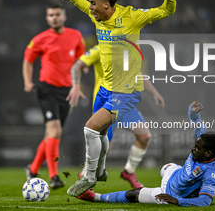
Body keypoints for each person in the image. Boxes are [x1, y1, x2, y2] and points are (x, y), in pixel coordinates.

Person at [58, 0, 176, 196]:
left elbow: (166, 11)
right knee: (100, 133)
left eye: (94, 3)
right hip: (105, 90)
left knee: (90, 128)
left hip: (127, 91)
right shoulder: (97, 16)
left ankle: (90, 177)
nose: (91, 8)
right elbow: (84, 6)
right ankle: (101, 170)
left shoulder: (131, 17)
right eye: (91, 3)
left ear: (106, 4)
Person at [75, 101, 215, 207]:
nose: (193, 148)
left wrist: (177, 201)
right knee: (166, 167)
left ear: (208, 153)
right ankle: (181, 179)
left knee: (134, 194)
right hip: (174, 173)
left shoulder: (212, 172)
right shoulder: (205, 143)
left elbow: (205, 201)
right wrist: (193, 113)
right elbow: (197, 124)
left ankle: (94, 197)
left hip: (169, 194)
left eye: (197, 148)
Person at [67, 44, 165, 188]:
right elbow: (77, 65)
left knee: (144, 137)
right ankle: (85, 174)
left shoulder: (127, 49)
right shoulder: (99, 49)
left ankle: (129, 171)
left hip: (125, 101)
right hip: (107, 104)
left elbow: (138, 72)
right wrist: (76, 85)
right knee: (105, 149)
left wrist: (154, 92)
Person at [23, 4, 85, 189]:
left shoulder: (75, 36)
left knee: (51, 133)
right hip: (47, 89)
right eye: (51, 15)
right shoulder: (40, 39)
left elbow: (80, 60)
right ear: (47, 18)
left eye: (57, 14)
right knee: (55, 131)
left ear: (64, 17)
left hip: (66, 92)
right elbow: (28, 60)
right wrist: (27, 82)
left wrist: (81, 74)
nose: (54, 18)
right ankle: (54, 176)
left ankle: (33, 169)